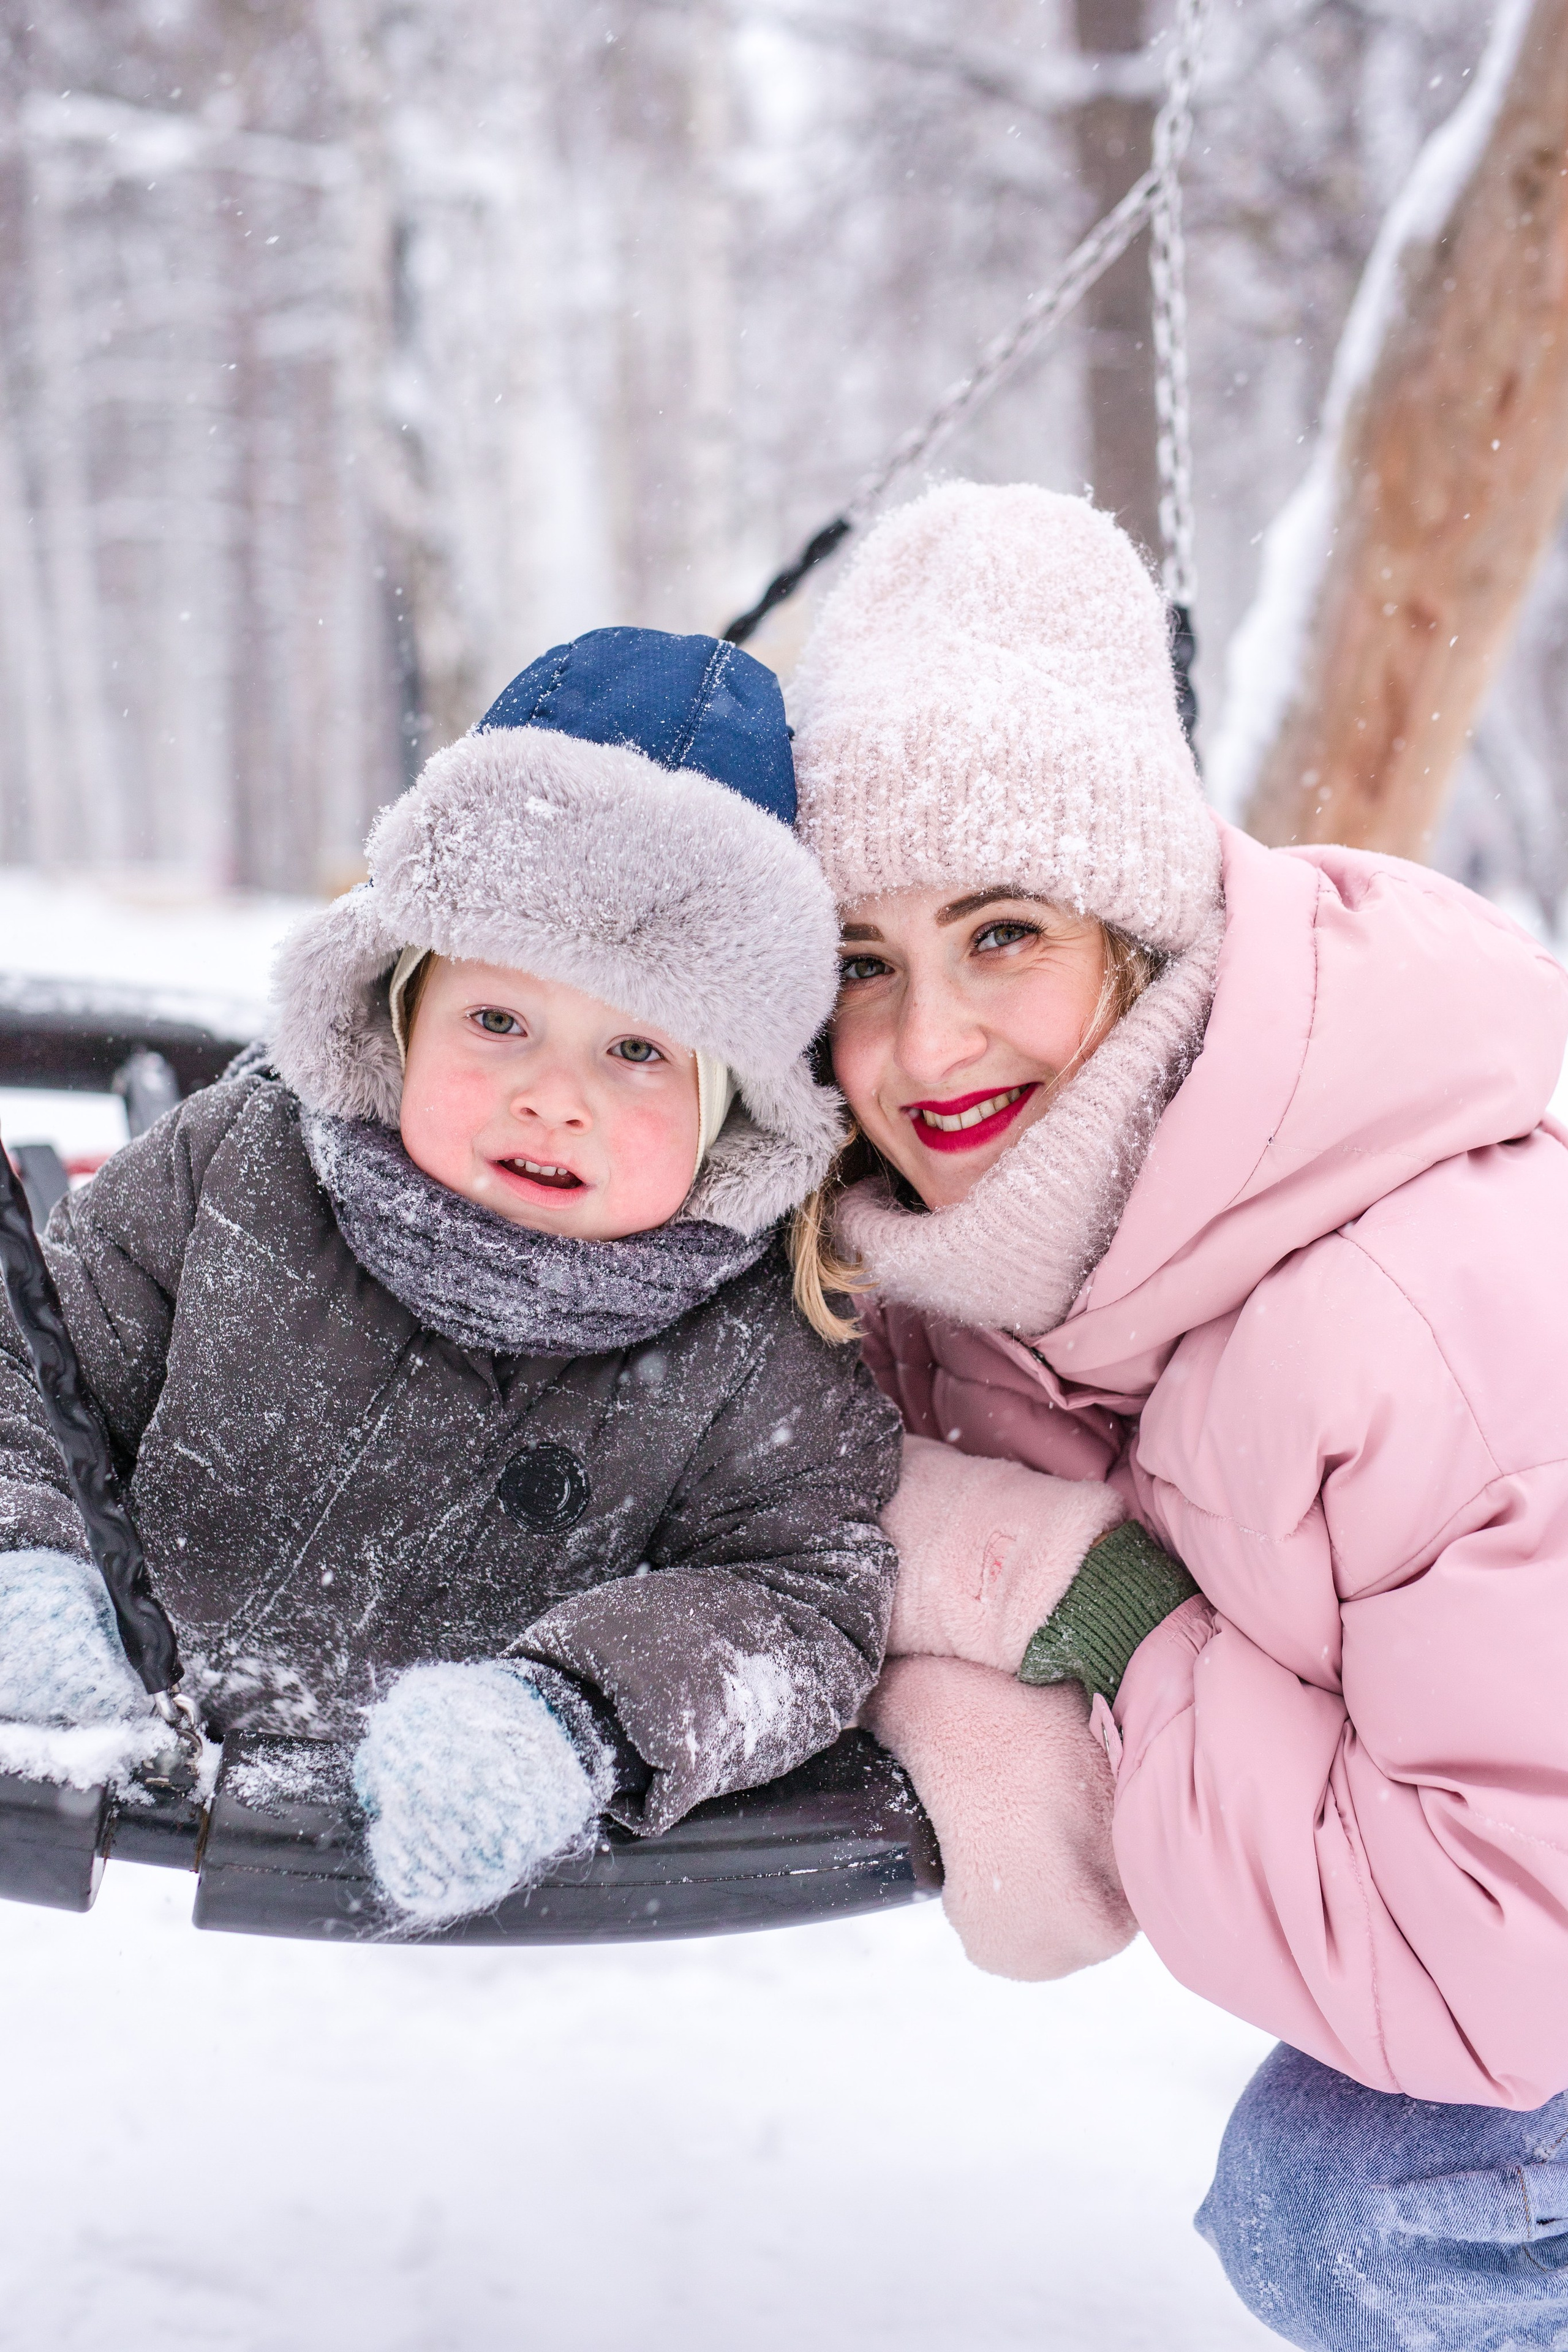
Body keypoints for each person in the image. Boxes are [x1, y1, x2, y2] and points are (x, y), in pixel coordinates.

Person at [786, 479, 1568, 2350]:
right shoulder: (986, 1245)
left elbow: (1492, 1969)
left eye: (1001, 935)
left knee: (1366, 2204)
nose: (925, 1049)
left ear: (1139, 932)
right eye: (863, 965)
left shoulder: (1427, 1313)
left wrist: (1095, 1612)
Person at [0, 625, 901, 1927]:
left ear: (734, 1114)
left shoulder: (755, 1341)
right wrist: (24, 1566)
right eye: (498, 1020)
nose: (553, 1097)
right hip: (131, 1833)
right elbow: (27, 1356)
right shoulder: (238, 1167)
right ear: (398, 1014)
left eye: (638, 1052)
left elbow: (798, 1603)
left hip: (467, 1945)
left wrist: (571, 1717)